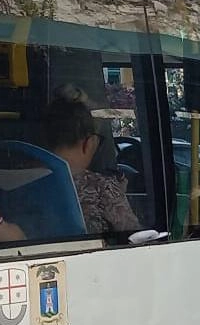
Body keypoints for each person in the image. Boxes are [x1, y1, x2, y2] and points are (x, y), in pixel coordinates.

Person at [41, 98, 140, 236]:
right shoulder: (101, 187)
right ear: (89, 142)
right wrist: (117, 193)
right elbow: (135, 236)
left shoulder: (24, 179)